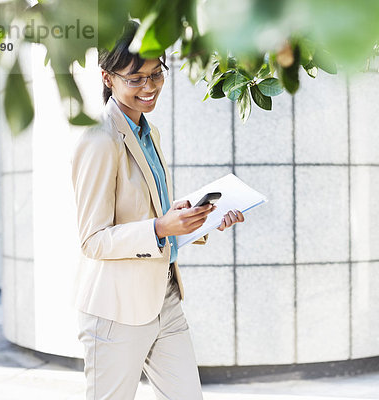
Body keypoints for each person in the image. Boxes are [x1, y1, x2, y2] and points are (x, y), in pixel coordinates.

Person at [70, 20, 244, 400]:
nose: (149, 88)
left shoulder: (149, 132)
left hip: (164, 297)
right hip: (116, 313)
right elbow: (93, 240)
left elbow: (154, 219)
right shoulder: (100, 139)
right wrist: (161, 227)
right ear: (107, 77)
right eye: (135, 79)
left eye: (156, 74)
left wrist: (204, 219)